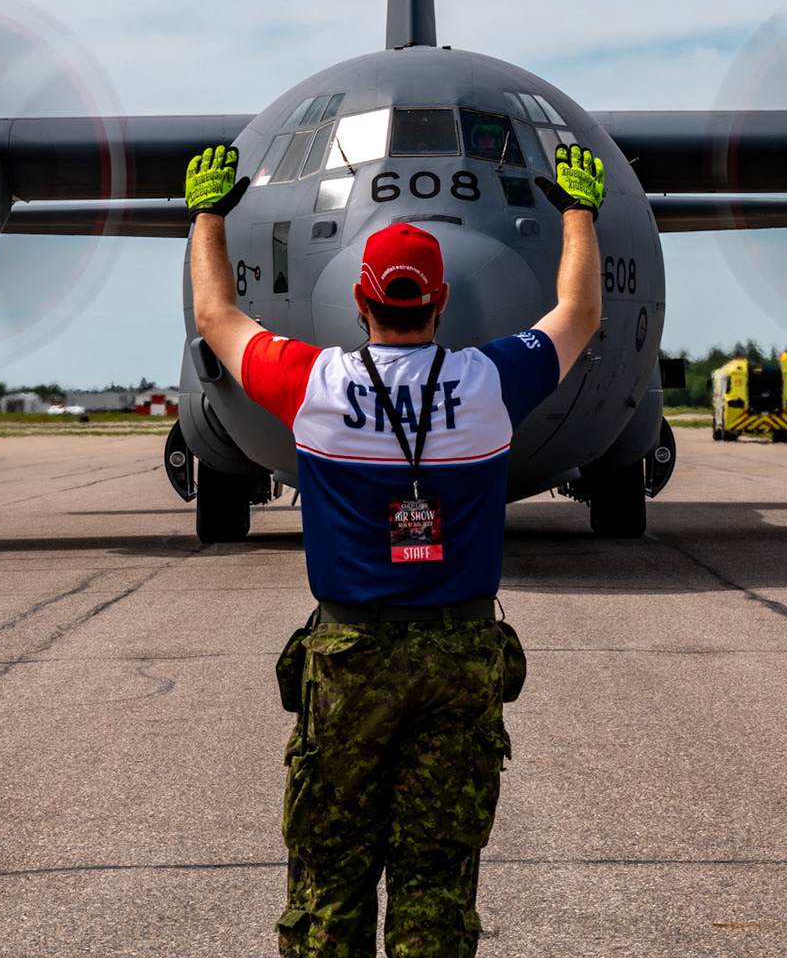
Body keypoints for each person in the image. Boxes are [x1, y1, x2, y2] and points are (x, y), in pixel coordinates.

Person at [185, 138, 605, 956]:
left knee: (331, 876)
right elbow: (578, 315)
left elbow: (217, 317)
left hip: (350, 660)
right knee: (435, 879)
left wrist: (208, 216)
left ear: (361, 300)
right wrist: (578, 213)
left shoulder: (316, 385)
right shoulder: (489, 383)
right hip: (460, 661)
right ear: (440, 302)